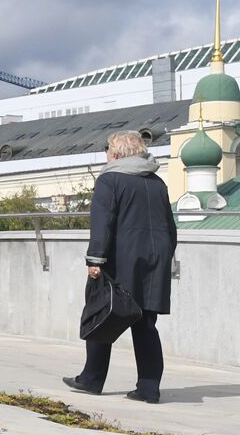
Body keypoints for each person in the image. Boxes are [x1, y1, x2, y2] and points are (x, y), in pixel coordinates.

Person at [65, 130, 178, 404]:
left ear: (114, 154)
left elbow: (102, 222)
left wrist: (95, 260)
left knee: (102, 312)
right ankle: (149, 389)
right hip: (154, 262)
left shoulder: (110, 179)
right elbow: (170, 226)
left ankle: (91, 379)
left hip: (121, 260)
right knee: (145, 324)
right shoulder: (157, 182)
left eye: (107, 150)